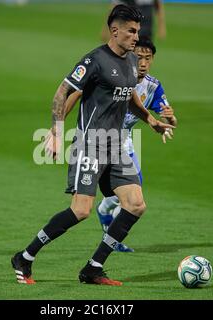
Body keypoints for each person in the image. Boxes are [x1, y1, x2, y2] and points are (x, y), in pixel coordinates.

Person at [11, 5, 174, 286]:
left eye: (138, 31)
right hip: (91, 143)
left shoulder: (131, 61)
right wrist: (56, 130)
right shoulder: (95, 60)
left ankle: (93, 268)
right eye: (131, 31)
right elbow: (63, 92)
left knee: (135, 204)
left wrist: (151, 119)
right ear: (115, 30)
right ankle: (25, 256)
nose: (137, 37)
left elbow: (130, 96)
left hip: (116, 145)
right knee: (81, 210)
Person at [64, 36, 177, 253]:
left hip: (123, 142)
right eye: (139, 57)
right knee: (89, 205)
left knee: (133, 198)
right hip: (95, 139)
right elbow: (75, 92)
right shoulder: (114, 72)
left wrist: (169, 119)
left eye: (148, 58)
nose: (143, 63)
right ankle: (107, 234)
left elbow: (169, 118)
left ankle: (106, 224)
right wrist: (57, 128)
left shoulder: (152, 86)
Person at [101, 0, 166, 42]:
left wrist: (161, 27)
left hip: (147, 28)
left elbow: (158, 6)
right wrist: (107, 29)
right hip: (130, 27)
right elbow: (113, 9)